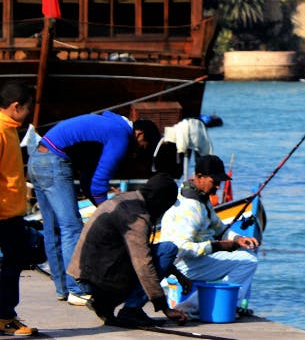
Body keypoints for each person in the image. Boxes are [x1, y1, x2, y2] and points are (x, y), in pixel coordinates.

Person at [29, 111, 159, 305]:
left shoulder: (107, 127)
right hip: (54, 162)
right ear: (139, 134)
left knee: (53, 228)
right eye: (143, 147)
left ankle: (63, 289)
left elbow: (88, 181)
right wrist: (112, 213)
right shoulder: (121, 135)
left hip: (37, 159)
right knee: (72, 228)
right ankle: (77, 289)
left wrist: (100, 205)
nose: (138, 152)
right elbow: (98, 186)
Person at [66, 173, 190, 328]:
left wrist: (177, 274)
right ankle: (131, 310)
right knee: (168, 249)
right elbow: (144, 265)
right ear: (160, 201)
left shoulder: (128, 199)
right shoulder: (137, 217)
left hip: (86, 273)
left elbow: (142, 251)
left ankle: (104, 303)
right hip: (97, 279)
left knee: (155, 254)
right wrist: (165, 308)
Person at [160, 155, 259, 316]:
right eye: (215, 182)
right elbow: (182, 248)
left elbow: (219, 226)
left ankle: (198, 304)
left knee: (247, 254)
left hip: (195, 259)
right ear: (199, 177)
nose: (218, 187)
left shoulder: (201, 198)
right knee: (248, 261)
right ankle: (210, 304)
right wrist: (217, 246)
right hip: (180, 264)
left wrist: (237, 239)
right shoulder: (189, 208)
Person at [0, 83, 35, 337]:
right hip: (4, 213)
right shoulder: (1, 130)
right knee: (12, 264)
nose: (29, 114)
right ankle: (4, 316)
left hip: (11, 210)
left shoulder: (9, 128)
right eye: (28, 108)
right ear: (16, 107)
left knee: (13, 263)